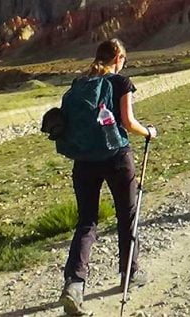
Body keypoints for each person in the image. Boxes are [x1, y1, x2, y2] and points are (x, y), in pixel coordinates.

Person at [59, 38, 157, 316]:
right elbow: (128, 122)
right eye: (124, 59)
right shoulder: (120, 82)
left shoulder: (80, 84)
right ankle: (130, 272)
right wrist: (149, 132)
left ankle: (74, 284)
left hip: (84, 161)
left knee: (86, 221)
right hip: (116, 158)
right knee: (127, 215)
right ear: (117, 58)